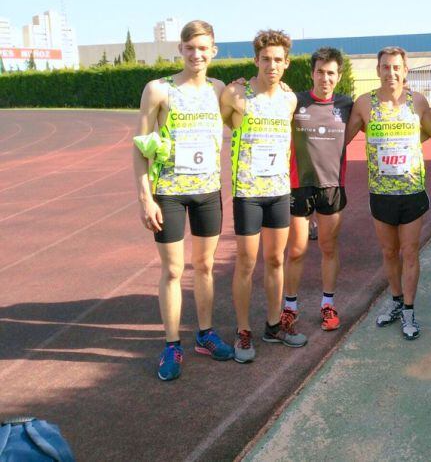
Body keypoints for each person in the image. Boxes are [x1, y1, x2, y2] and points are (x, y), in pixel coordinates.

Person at [133, 20, 233, 381]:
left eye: (203, 48)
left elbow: (245, 109)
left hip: (208, 191)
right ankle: (172, 344)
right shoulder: (158, 90)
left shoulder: (219, 89)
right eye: (190, 48)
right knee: (174, 271)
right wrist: (146, 197)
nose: (197, 54)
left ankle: (205, 335)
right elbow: (141, 147)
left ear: (214, 51)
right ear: (181, 49)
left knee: (204, 268)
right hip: (170, 192)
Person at [220, 29, 304, 364]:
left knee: (276, 260)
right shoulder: (236, 95)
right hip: (248, 194)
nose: (272, 64)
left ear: (286, 64)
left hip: (279, 192)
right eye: (265, 59)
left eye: (278, 60)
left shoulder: (289, 98)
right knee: (245, 263)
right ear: (256, 60)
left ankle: (273, 325)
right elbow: (221, 124)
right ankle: (243, 331)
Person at [346, 46, 431, 340]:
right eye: (385, 67)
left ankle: (409, 309)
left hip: (411, 192)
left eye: (396, 67)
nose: (391, 73)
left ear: (405, 70)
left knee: (410, 251)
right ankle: (396, 301)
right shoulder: (364, 103)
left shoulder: (418, 102)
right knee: (389, 252)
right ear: (377, 71)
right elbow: (342, 138)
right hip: (381, 194)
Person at [284, 47, 353, 333]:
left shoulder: (347, 105)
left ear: (338, 76)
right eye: (320, 72)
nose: (325, 78)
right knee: (297, 250)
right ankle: (289, 307)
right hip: (299, 185)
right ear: (312, 73)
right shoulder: (294, 101)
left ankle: (327, 304)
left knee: (328, 247)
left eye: (331, 73)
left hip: (332, 186)